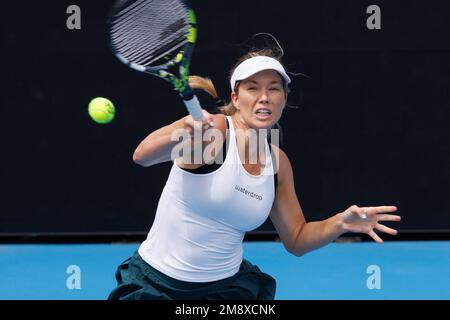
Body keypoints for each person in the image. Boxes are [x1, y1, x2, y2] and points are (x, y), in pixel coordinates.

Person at [108, 47, 401, 300]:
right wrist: (183, 133)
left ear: (285, 99)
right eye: (253, 88)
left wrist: (341, 222)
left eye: (274, 88)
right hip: (159, 285)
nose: (264, 97)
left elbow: (297, 240)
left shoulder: (277, 163)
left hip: (227, 290)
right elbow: (143, 156)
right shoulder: (215, 133)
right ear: (236, 98)